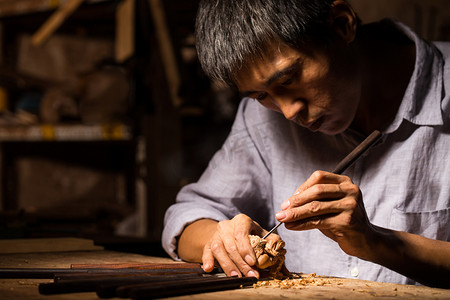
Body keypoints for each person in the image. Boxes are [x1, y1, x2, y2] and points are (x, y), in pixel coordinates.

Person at [162, 0, 450, 288]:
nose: (288, 111)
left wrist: (377, 242)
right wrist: (224, 240)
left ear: (341, 24)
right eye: (261, 95)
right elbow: (188, 218)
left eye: (288, 79)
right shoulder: (261, 116)